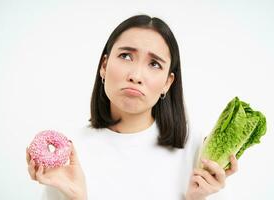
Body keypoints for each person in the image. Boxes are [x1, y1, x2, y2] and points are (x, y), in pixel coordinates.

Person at [26, 15, 238, 200]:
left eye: (154, 64)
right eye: (126, 56)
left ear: (167, 82)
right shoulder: (72, 153)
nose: (135, 76)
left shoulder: (196, 148)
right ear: (104, 66)